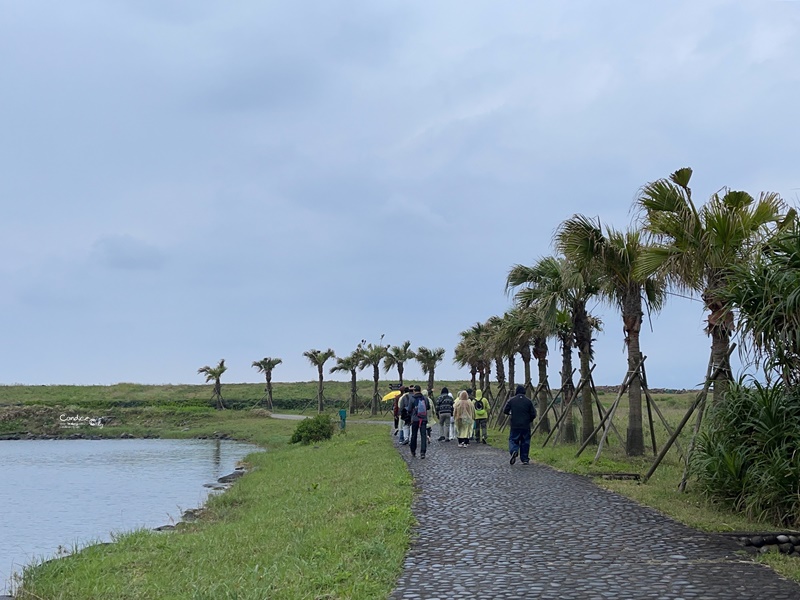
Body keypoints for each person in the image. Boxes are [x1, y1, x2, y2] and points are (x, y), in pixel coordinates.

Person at [503, 384, 537, 465]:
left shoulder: (511, 400)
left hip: (515, 424)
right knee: (525, 441)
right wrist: (529, 420)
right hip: (525, 425)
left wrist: (511, 413)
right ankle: (525, 459)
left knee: (513, 439)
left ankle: (514, 451)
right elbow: (533, 414)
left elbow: (505, 410)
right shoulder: (528, 401)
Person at [408, 385, 430, 458]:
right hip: (423, 419)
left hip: (415, 419)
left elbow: (409, 409)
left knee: (414, 435)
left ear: (414, 391)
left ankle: (413, 450)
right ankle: (423, 452)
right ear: (420, 390)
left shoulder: (412, 399)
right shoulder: (425, 398)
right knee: (423, 435)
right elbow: (428, 407)